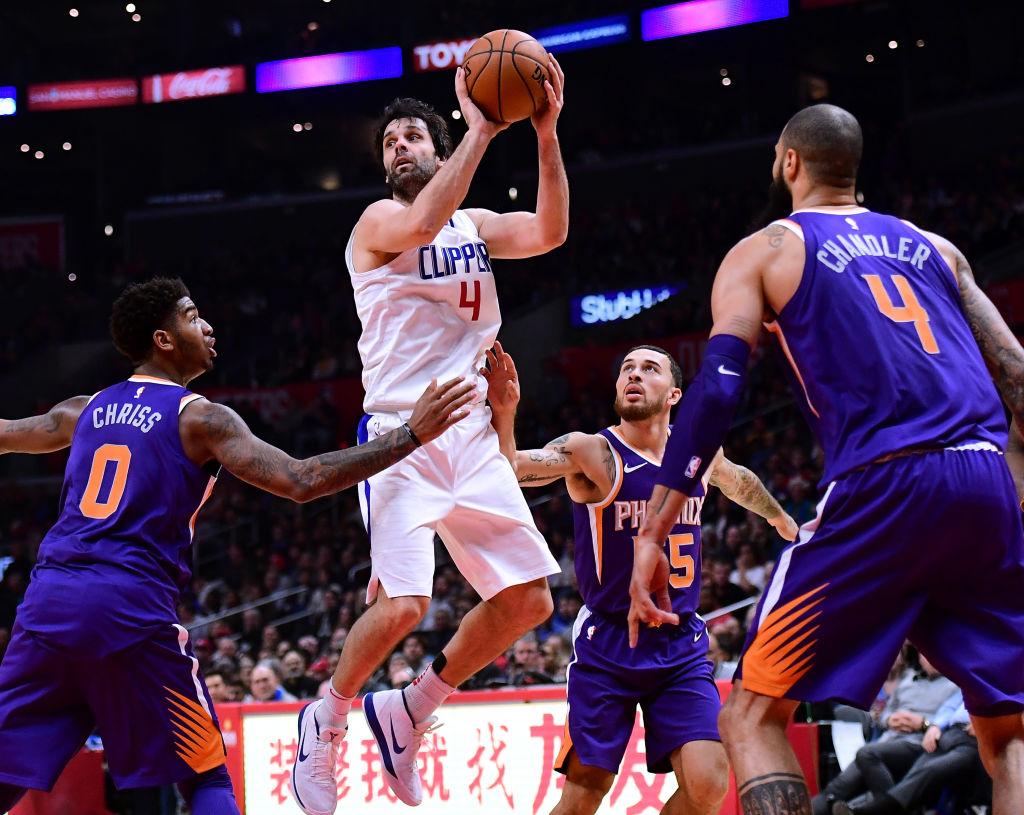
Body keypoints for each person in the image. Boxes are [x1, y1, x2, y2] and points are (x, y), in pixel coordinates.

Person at [627, 104, 1024, 815]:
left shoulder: (767, 248)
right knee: (1009, 730)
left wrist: (655, 525)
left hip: (886, 481)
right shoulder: (936, 246)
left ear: (788, 162)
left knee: (749, 714)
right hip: (984, 476)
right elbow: (1017, 374)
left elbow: (715, 394)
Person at [0, 277, 475, 815]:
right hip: (126, 608)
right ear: (163, 339)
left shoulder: (81, 410)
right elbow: (302, 479)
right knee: (205, 778)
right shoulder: (199, 417)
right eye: (192, 314)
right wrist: (410, 435)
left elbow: (10, 431)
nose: (207, 326)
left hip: (46, 607)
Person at [290, 54, 570, 814]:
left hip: (473, 433)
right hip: (401, 438)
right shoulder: (377, 224)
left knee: (529, 601)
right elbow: (419, 221)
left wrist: (543, 131)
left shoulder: (474, 225)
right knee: (406, 603)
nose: (401, 147)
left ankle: (409, 708)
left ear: (439, 152)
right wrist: (482, 127)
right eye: (391, 143)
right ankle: (330, 718)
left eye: (415, 136)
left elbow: (549, 231)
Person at [486, 342, 798, 815]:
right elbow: (508, 470)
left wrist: (782, 522)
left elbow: (740, 482)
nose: (634, 374)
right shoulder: (593, 451)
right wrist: (505, 414)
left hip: (679, 641)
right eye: (627, 368)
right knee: (585, 794)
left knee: (710, 783)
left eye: (649, 368)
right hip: (609, 640)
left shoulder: (696, 452)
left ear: (673, 394)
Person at [812, 654, 957, 815]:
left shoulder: (956, 685)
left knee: (866, 754)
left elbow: (956, 719)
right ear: (920, 657)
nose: (932, 660)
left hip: (918, 743)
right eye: (927, 655)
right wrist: (890, 720)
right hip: (888, 740)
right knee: (838, 787)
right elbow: (884, 715)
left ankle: (890, 810)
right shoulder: (908, 680)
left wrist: (922, 723)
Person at [834, 697, 986, 815]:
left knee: (931, 770)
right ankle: (878, 810)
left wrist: (986, 721)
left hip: (974, 740)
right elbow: (950, 706)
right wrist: (935, 725)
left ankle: (869, 812)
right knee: (915, 774)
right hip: (948, 733)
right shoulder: (970, 681)